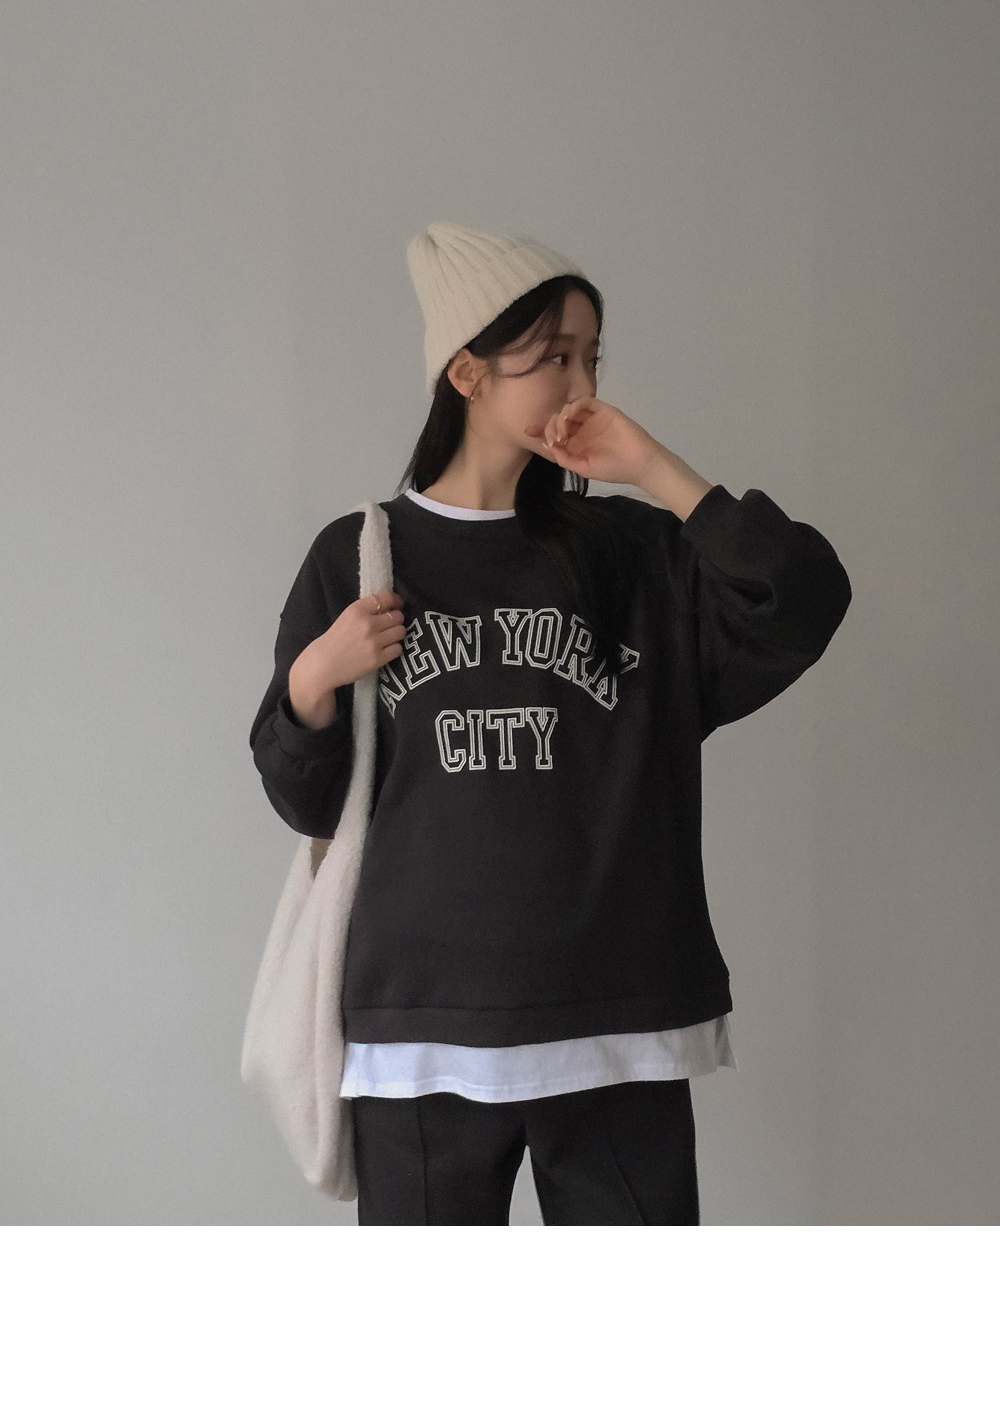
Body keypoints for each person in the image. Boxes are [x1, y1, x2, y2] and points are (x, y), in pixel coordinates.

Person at [249, 220, 852, 1224]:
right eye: (553, 358)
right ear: (467, 372)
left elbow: (803, 602)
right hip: (420, 1031)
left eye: (592, 357)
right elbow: (307, 801)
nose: (582, 385)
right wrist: (315, 677)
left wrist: (655, 469)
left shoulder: (632, 553)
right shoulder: (357, 558)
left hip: (615, 1018)